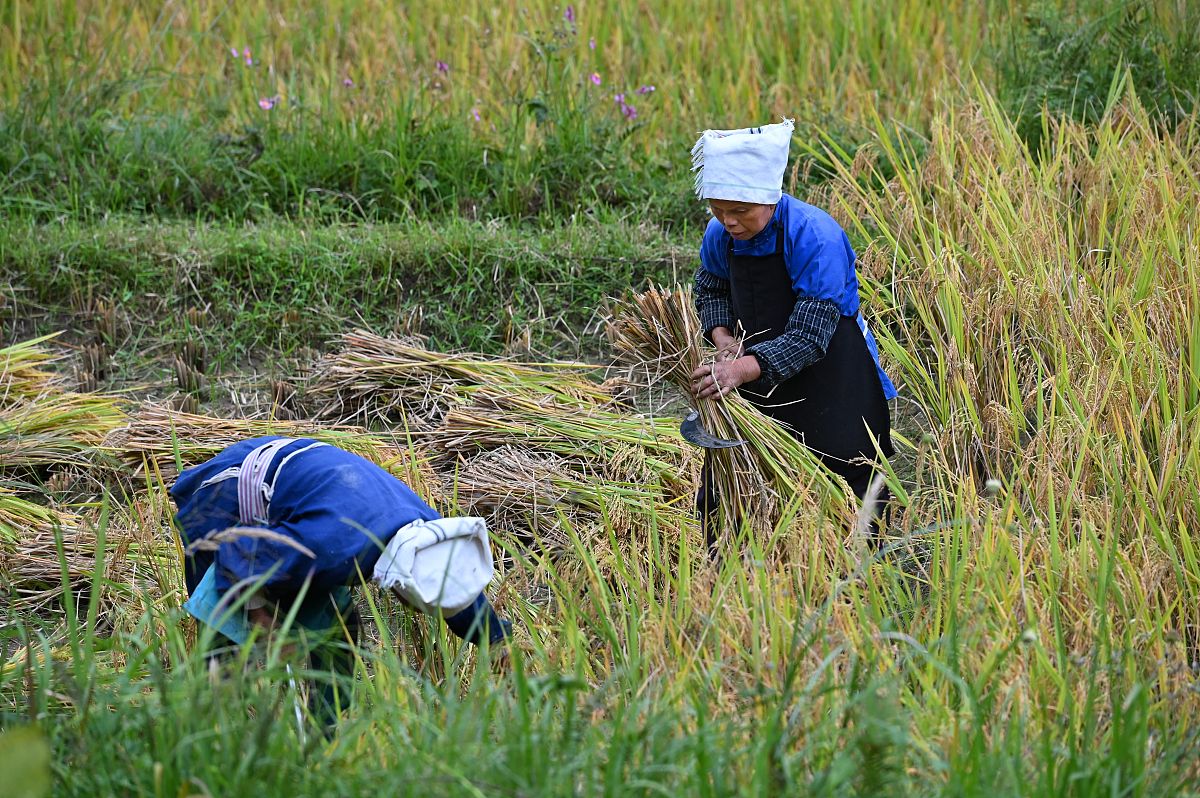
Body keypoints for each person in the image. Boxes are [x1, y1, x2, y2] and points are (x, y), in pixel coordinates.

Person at [169, 435, 513, 727]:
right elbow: (235, 554)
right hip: (228, 494)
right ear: (404, 589)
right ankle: (219, 730)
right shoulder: (327, 548)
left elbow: (454, 589)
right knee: (226, 633)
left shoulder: (428, 532)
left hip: (311, 498)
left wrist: (496, 640)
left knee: (337, 630)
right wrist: (264, 621)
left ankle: (326, 729)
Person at [688, 118, 897, 543]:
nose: (728, 221)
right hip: (754, 367)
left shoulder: (815, 237)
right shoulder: (720, 234)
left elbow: (809, 336)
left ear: (768, 198)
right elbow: (710, 288)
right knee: (737, 473)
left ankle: (869, 567)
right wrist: (724, 339)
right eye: (718, 209)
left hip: (831, 369)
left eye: (740, 211)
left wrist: (741, 369)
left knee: (849, 466)